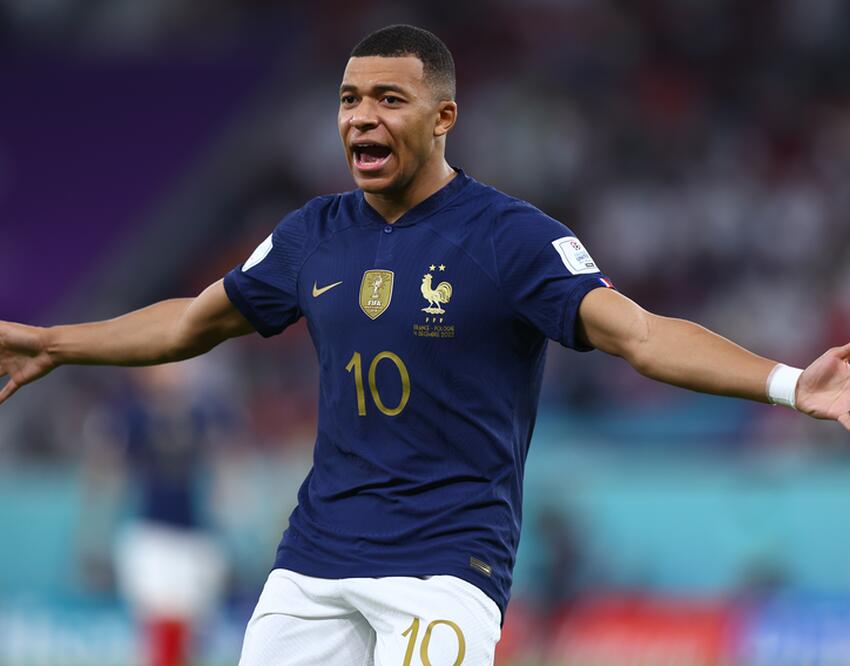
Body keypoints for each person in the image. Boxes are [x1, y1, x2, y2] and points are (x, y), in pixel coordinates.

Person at [1, 24, 848, 665]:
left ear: (444, 117)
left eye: (388, 99)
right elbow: (191, 322)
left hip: (446, 565)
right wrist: (52, 343)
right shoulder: (311, 235)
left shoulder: (511, 238)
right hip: (314, 561)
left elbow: (642, 335)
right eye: (349, 100)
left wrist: (788, 385)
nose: (361, 118)